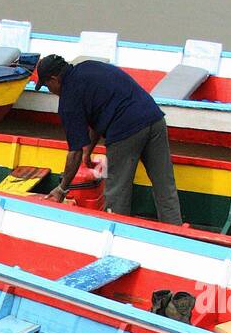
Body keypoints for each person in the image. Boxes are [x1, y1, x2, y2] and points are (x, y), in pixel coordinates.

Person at [35, 54, 182, 225]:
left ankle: (115, 232)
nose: (50, 91)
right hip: (154, 118)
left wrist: (62, 188)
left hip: (126, 130)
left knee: (117, 192)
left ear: (54, 79)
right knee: (164, 185)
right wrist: (88, 152)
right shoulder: (90, 66)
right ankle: (175, 230)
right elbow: (98, 115)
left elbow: (74, 152)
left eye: (46, 86)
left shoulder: (69, 99)